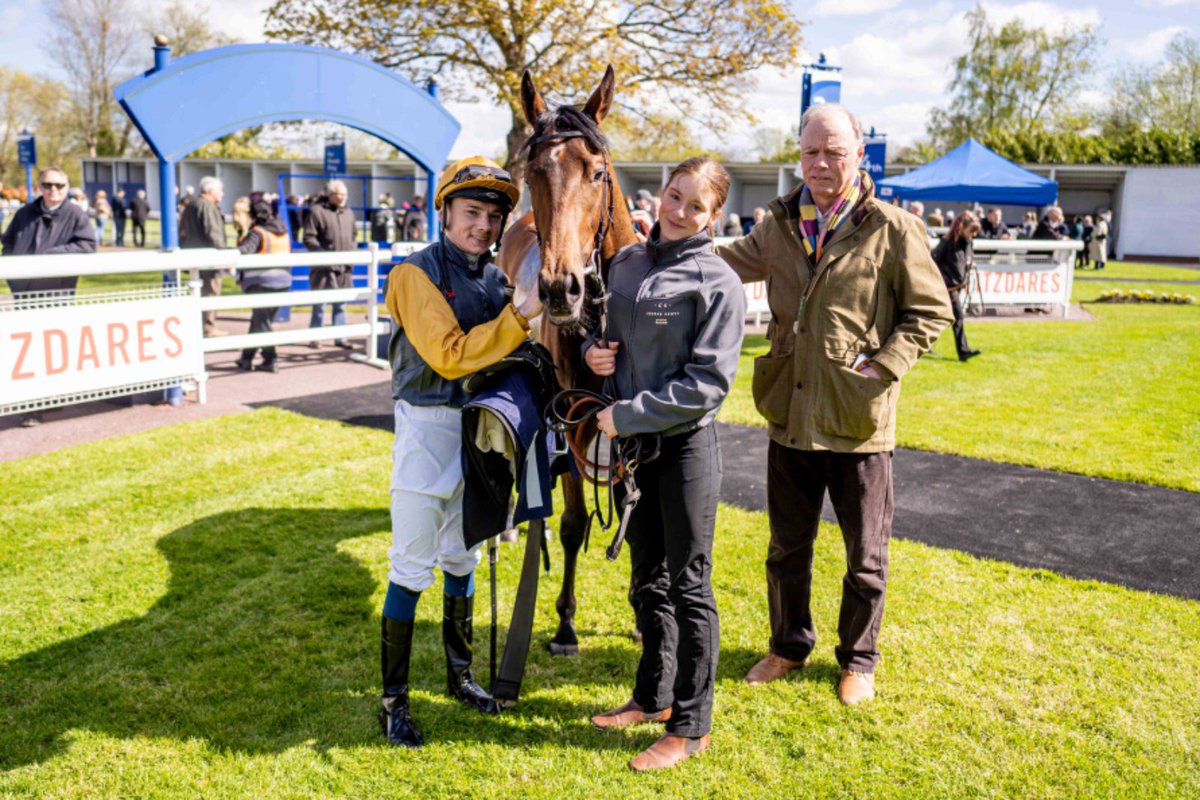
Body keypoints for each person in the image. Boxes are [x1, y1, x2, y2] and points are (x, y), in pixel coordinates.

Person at [715, 103, 951, 706]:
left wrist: (887, 364)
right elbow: (721, 266)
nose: (820, 163)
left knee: (865, 558)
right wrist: (659, 250)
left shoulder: (893, 228)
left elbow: (931, 311)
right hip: (789, 417)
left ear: (859, 154)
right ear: (799, 154)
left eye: (834, 152)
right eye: (810, 152)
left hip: (858, 420)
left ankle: (859, 660)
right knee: (786, 550)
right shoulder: (777, 225)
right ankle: (788, 646)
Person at [585, 158, 745, 773]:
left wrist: (626, 416)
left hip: (683, 450)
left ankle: (691, 725)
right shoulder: (626, 262)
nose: (679, 211)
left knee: (689, 586)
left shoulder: (717, 281)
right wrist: (591, 352)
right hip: (635, 453)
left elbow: (708, 385)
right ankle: (651, 697)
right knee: (646, 579)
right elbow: (600, 332)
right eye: (675, 196)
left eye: (695, 206)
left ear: (714, 217)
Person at [378, 156, 542, 749]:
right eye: (471, 211)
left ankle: (459, 676)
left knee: (462, 556)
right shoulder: (411, 275)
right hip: (426, 429)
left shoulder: (497, 279)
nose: (483, 225)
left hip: (480, 431)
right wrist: (521, 316)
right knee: (411, 564)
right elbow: (449, 354)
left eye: (493, 216)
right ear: (444, 210)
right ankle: (393, 702)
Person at [1, 165, 97, 426]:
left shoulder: (75, 214)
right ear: (39, 187)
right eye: (47, 185)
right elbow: (7, 242)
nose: (53, 190)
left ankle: (51, 397)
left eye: (59, 185)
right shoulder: (24, 213)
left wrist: (51, 256)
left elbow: (87, 246)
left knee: (54, 349)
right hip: (25, 294)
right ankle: (32, 407)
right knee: (28, 351)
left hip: (56, 293)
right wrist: (14, 274)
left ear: (67, 187)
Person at [234, 200, 292, 373]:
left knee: (262, 321)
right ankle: (246, 357)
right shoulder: (282, 231)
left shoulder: (258, 232)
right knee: (259, 321)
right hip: (282, 282)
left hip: (261, 283)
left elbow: (244, 250)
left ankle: (270, 358)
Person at [303, 179, 356, 349]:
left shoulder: (349, 213)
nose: (342, 198)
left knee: (340, 304)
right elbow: (309, 237)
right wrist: (322, 256)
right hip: (323, 269)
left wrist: (352, 253)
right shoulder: (317, 212)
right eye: (338, 194)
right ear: (330, 195)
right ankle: (315, 338)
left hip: (344, 269)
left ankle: (340, 338)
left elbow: (354, 236)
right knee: (320, 304)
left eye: (344, 194)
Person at [179, 176, 228, 336]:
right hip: (209, 261)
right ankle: (208, 327)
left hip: (195, 258)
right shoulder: (207, 206)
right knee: (211, 292)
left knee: (199, 293)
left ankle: (200, 326)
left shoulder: (191, 204)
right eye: (220, 190)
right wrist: (225, 255)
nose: (223, 194)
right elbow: (213, 234)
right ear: (211, 191)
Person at [932, 210, 982, 362]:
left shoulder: (968, 242)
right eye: (971, 231)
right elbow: (932, 260)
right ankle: (963, 351)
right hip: (947, 288)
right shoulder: (946, 243)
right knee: (958, 317)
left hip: (958, 286)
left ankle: (923, 343)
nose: (972, 234)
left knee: (940, 318)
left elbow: (967, 260)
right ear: (961, 228)